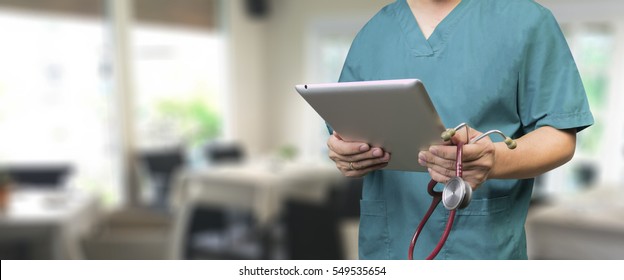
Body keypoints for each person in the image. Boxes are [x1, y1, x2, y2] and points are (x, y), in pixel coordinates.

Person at [326, 0, 594, 259]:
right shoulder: (373, 33)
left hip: (479, 249)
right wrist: (346, 155)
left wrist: (494, 160)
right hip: (384, 250)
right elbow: (345, 131)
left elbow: (560, 137)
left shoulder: (527, 20)